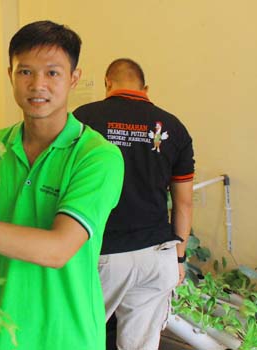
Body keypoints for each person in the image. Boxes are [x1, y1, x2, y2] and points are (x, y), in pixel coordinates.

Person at [0, 21, 124, 349]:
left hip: (69, 337)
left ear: (73, 78)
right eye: (25, 72)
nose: (38, 85)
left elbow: (57, 249)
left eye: (53, 73)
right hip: (3, 334)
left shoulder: (97, 156)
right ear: (10, 75)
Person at [73, 58, 195, 350]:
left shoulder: (83, 119)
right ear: (146, 88)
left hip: (102, 255)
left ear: (107, 83)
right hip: (156, 254)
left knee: (76, 338)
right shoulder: (174, 127)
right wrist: (178, 257)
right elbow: (184, 203)